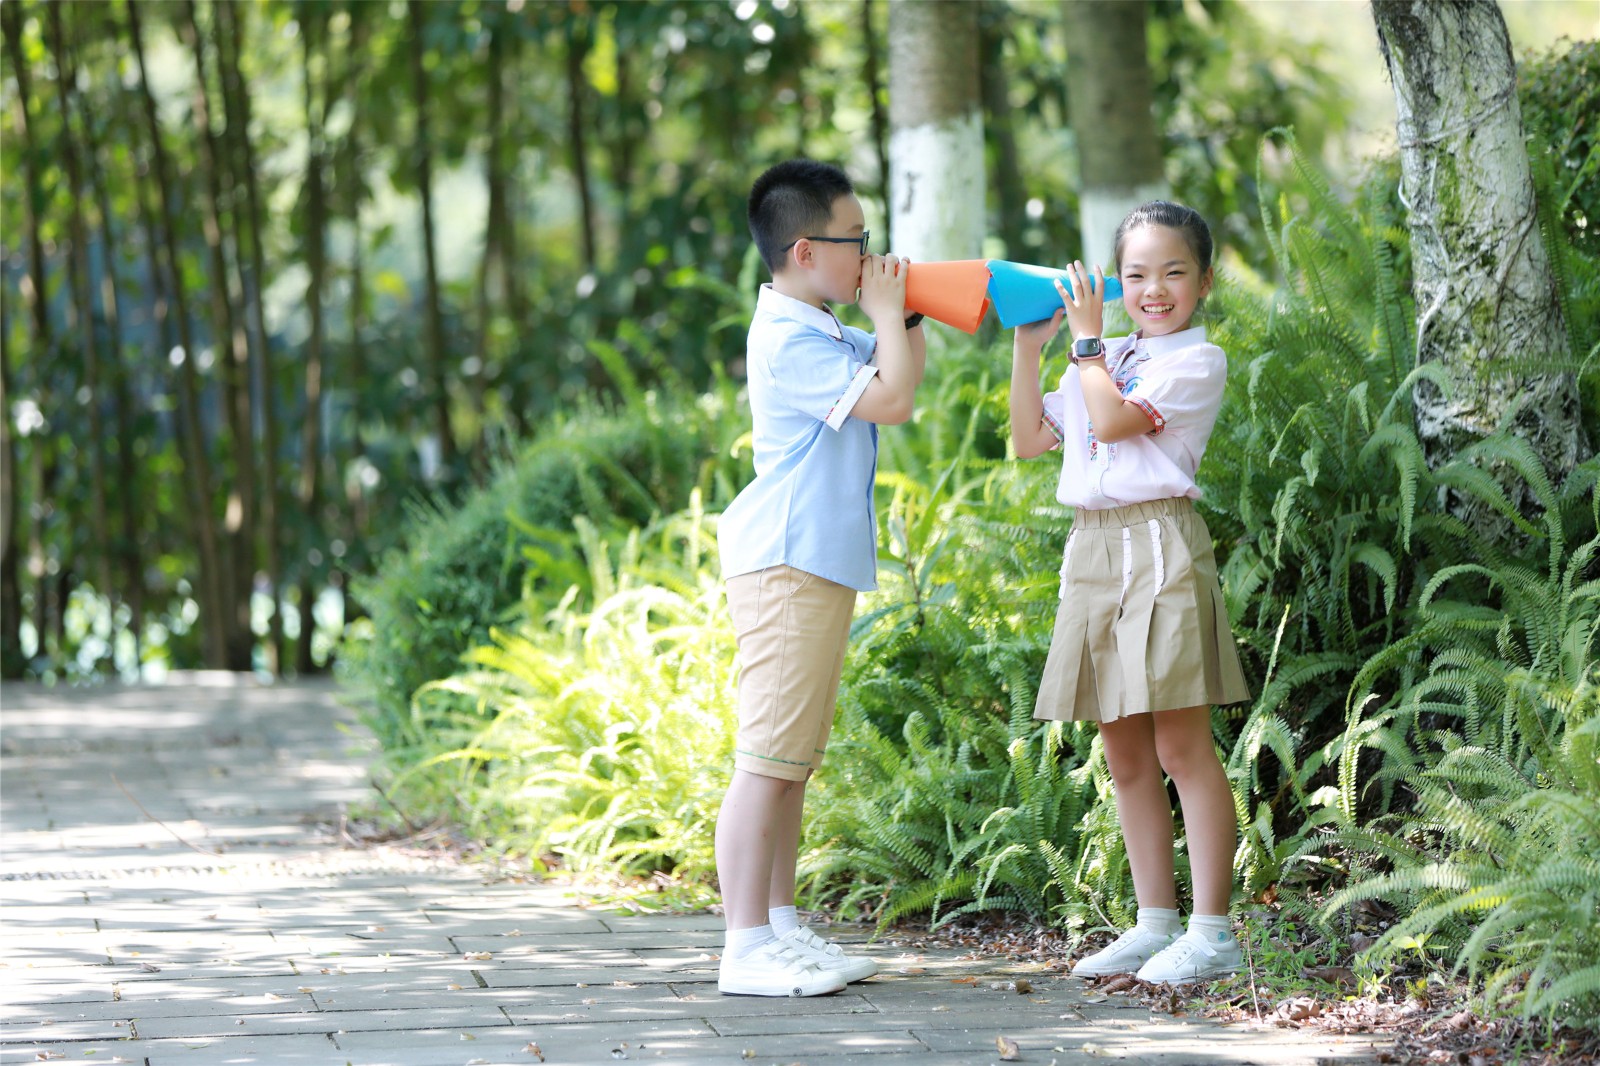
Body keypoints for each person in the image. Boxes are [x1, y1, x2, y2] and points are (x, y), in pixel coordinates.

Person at [1008, 200, 1252, 985]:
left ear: (1204, 281)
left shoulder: (1194, 361)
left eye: (1173, 272)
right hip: (1094, 549)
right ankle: (1155, 924)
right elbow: (1027, 440)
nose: (1154, 289)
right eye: (1137, 274)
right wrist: (1027, 347)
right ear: (1117, 281)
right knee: (1122, 751)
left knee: (1182, 746)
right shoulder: (1101, 353)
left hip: (1158, 543)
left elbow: (1111, 425)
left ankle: (1212, 935)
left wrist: (1082, 347)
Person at [714, 159, 926, 997]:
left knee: (791, 760)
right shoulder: (788, 337)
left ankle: (780, 929)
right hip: (786, 561)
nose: (869, 254)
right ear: (806, 250)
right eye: (857, 240)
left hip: (815, 561)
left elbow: (903, 367)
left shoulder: (819, 322)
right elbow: (893, 402)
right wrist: (886, 311)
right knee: (766, 758)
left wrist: (901, 309)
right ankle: (742, 947)